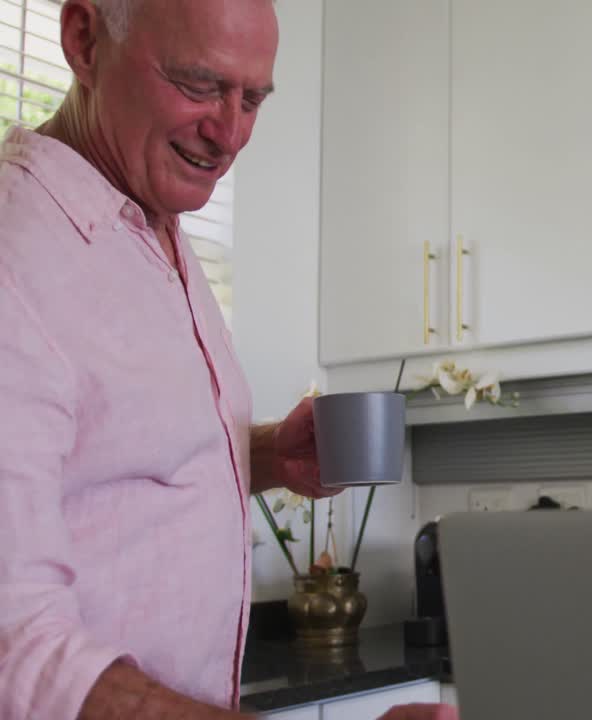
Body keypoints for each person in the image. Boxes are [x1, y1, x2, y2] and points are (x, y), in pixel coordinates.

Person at [0, 1, 455, 718]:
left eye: (253, 99)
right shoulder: (17, 256)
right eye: (199, 85)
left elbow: (103, 465)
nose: (231, 132)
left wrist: (267, 455)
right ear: (84, 42)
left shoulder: (155, 232)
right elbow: (15, 650)